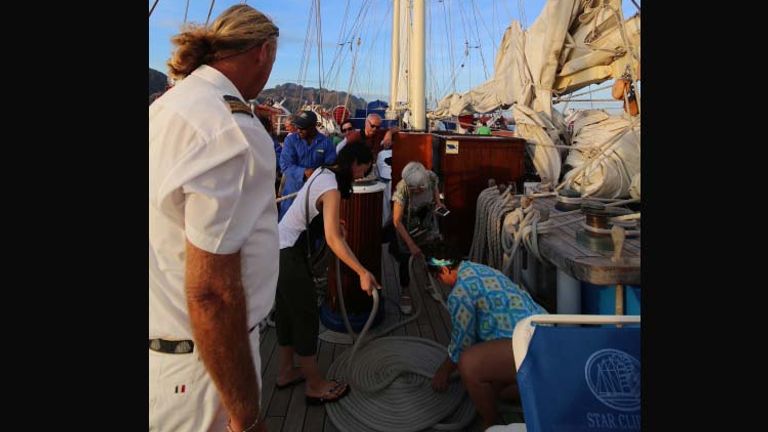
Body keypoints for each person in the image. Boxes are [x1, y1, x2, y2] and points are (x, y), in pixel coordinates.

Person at [149, 5, 279, 432]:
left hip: (166, 357)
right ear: (262, 52)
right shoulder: (230, 129)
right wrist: (243, 412)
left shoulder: (168, 108)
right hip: (206, 373)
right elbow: (213, 293)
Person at [275, 141, 381, 405]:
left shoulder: (324, 173)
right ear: (355, 163)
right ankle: (315, 385)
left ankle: (286, 371)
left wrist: (329, 222)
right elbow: (334, 240)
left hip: (277, 246)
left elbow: (311, 210)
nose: (361, 177)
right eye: (362, 171)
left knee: (287, 314)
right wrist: (362, 272)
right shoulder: (332, 188)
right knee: (306, 315)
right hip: (289, 254)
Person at [424, 241, 547, 430]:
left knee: (469, 364)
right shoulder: (477, 269)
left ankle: (491, 423)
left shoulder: (460, 294)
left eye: (437, 277)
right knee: (499, 391)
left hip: (530, 344)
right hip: (546, 333)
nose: (440, 282)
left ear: (445, 271)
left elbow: (462, 343)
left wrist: (444, 372)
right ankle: (539, 386)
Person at [389, 161, 445, 314]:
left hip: (426, 222)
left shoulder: (431, 178)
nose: (418, 191)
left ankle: (429, 284)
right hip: (407, 227)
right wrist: (411, 244)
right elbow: (396, 221)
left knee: (430, 254)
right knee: (405, 259)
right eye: (414, 189)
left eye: (420, 188)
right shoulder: (402, 189)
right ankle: (405, 292)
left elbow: (435, 194)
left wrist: (439, 204)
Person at [278, 110, 337, 220]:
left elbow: (331, 166)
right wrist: (304, 172)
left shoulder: (327, 143)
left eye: (303, 127)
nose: (299, 130)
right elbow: (285, 165)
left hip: (316, 195)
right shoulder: (290, 140)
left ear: (313, 126)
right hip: (292, 193)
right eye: (298, 127)